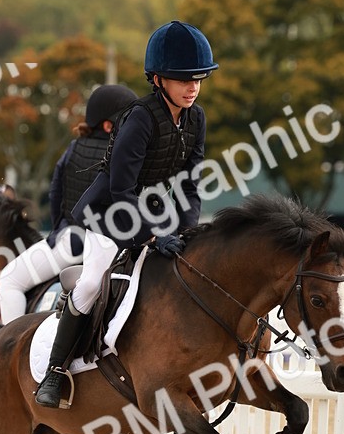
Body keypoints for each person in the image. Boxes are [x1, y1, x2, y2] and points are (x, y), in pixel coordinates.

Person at [33, 20, 219, 409]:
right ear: (157, 79)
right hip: (110, 213)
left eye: (198, 79)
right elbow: (121, 190)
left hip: (149, 208)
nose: (193, 87)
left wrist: (188, 232)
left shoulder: (196, 118)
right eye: (183, 79)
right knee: (89, 285)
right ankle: (55, 371)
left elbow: (189, 184)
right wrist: (152, 237)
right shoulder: (140, 118)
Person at [0, 83, 137, 323]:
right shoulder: (132, 153)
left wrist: (57, 230)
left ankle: (9, 342)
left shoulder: (74, 148)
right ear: (108, 125)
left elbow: (55, 194)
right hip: (120, 245)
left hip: (73, 241)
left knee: (9, 279)